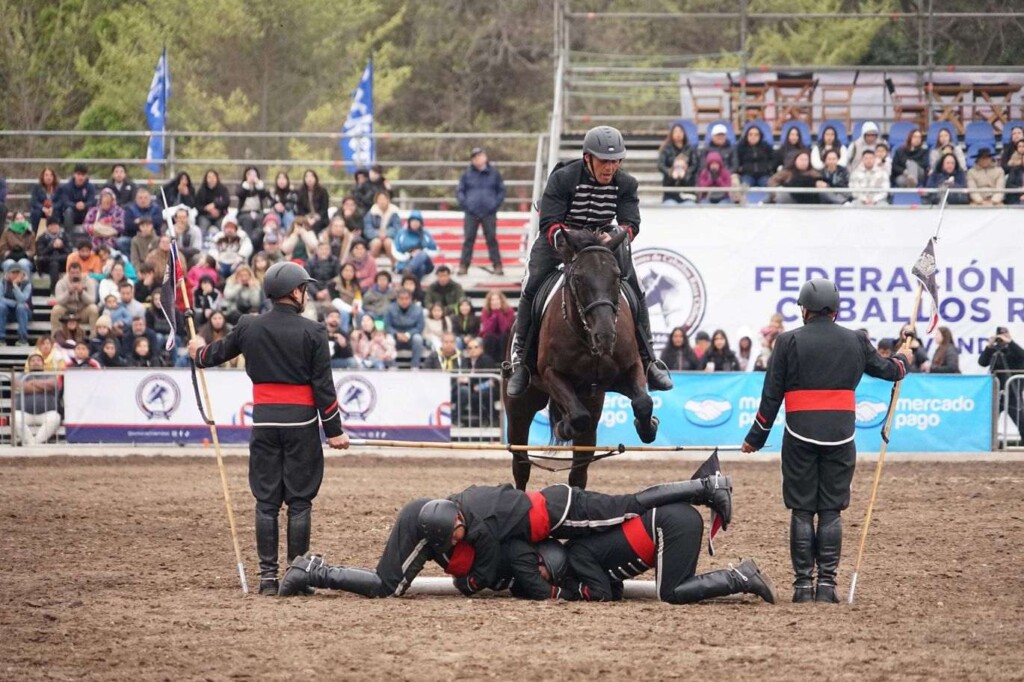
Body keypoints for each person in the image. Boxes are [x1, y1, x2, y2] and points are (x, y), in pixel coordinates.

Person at [278, 470, 733, 598]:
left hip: (560, 509)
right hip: (545, 516)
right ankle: (317, 571)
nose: (460, 532)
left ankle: (704, 488)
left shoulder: (466, 518)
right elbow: (488, 571)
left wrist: (475, 580)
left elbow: (485, 572)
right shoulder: (462, 517)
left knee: (631, 505)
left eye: (459, 530)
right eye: (455, 532)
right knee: (386, 587)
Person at [741, 278, 911, 604]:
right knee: (831, 510)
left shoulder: (787, 341)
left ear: (804, 309)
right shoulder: (856, 340)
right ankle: (827, 587)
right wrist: (905, 356)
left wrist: (755, 438)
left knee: (802, 510)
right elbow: (891, 371)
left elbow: (771, 397)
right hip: (840, 434)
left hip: (799, 433)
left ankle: (803, 586)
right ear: (835, 309)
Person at [188, 262, 350, 595]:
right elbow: (323, 386)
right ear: (294, 292)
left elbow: (213, 354)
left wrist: (197, 352)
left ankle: (267, 579)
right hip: (301, 424)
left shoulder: (249, 325)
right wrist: (334, 430)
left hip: (264, 421)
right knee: (300, 501)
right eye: (303, 288)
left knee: (267, 501)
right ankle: (297, 576)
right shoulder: (314, 332)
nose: (305, 293)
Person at [507, 127, 672, 397]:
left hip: (603, 241)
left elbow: (632, 223)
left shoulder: (627, 183)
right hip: (563, 238)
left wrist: (617, 234)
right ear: (588, 158)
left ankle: (650, 360)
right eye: (604, 161)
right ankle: (520, 362)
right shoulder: (563, 179)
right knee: (532, 285)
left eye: (615, 161)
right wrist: (571, 238)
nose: (610, 167)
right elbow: (549, 223)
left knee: (637, 286)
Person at [456, 147, 506, 276]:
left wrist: (494, 205)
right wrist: (466, 205)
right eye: (474, 157)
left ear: (485, 157)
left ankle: (497, 265)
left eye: (479, 155)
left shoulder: (494, 173)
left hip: (489, 212)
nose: (477, 159)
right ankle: (463, 265)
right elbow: (460, 191)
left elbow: (501, 191)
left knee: (491, 239)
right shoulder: (466, 174)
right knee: (468, 239)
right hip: (471, 212)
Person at [979, 327, 1024, 441]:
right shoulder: (994, 351)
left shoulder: (1014, 350)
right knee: (989, 422)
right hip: (997, 393)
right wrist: (989, 347)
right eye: (1000, 336)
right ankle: (987, 445)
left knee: (1021, 421)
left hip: (1013, 392)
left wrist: (1010, 342)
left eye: (1005, 335)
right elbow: (982, 362)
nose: (1002, 338)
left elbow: (1022, 355)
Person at [13, 353, 62, 445]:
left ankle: (34, 442)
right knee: (14, 417)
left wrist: (32, 382)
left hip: (46, 413)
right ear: (28, 364)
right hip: (24, 413)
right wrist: (43, 386)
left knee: (55, 417)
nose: (36, 362)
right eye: (33, 360)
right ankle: (33, 443)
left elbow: (52, 385)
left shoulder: (50, 375)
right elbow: (22, 387)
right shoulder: (21, 375)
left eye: (38, 360)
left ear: (43, 364)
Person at [51, 262, 99, 332]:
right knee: (56, 309)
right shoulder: (61, 283)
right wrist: (68, 293)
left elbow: (92, 300)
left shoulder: (88, 281)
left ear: (81, 272)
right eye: (72, 273)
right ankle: (56, 337)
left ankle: (94, 337)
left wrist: (82, 292)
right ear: (68, 273)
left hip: (82, 311)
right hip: (67, 311)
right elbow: (59, 301)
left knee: (93, 308)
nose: (75, 275)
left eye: (77, 273)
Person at [384, 288, 425, 370]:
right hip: (395, 337)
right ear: (397, 299)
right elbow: (387, 325)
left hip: (411, 337)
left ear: (411, 299)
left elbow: (420, 326)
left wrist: (408, 334)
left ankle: (415, 366)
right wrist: (396, 334)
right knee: (388, 339)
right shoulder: (390, 308)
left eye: (406, 299)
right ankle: (392, 366)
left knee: (418, 339)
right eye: (401, 299)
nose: (404, 301)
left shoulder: (418, 309)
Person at [657, 121, 698, 203]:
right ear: (671, 134)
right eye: (676, 131)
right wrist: (670, 172)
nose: (678, 134)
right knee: (670, 205)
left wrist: (686, 173)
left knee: (689, 206)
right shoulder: (666, 149)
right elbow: (660, 165)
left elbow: (695, 165)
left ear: (684, 133)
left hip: (687, 189)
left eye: (680, 131)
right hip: (670, 188)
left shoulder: (690, 149)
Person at [394, 210, 438, 281]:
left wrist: (420, 253)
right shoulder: (401, 233)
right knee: (420, 268)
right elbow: (396, 250)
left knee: (422, 254)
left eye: (417, 221)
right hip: (407, 261)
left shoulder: (426, 234)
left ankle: (409, 269)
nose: (415, 223)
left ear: (421, 223)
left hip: (426, 262)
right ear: (409, 222)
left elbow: (434, 250)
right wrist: (410, 255)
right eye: (413, 221)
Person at [362, 191, 400, 267]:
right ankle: (368, 267)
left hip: (389, 238)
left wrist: (386, 234)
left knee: (388, 243)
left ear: (388, 200)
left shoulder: (394, 213)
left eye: (384, 199)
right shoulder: (371, 213)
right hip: (375, 238)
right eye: (380, 199)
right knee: (376, 243)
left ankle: (396, 266)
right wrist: (378, 234)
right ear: (376, 201)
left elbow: (397, 229)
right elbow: (367, 230)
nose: (382, 201)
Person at [57, 163, 96, 232]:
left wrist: (85, 205)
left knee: (92, 211)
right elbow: (65, 201)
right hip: (73, 213)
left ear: (86, 176)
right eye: (78, 174)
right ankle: (69, 237)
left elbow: (92, 201)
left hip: (85, 212)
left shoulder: (91, 187)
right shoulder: (67, 187)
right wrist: (75, 205)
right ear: (74, 174)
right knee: (68, 211)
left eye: (83, 175)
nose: (80, 177)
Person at [1, 263, 32, 346]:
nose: (15, 275)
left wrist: (15, 286)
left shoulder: (27, 284)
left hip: (24, 313)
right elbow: (0, 299)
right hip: (7, 312)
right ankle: (1, 339)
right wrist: (15, 303)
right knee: (1, 306)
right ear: (8, 273)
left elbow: (23, 299)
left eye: (17, 272)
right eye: (13, 272)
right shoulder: (2, 283)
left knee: (21, 307)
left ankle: (23, 339)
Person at [235, 167, 270, 239]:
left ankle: (259, 242)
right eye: (249, 174)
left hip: (258, 212)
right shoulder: (242, 186)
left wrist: (259, 185)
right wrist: (247, 184)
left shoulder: (259, 186)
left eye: (254, 175)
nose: (252, 177)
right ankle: (248, 241)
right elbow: (239, 194)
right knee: (248, 220)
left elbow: (264, 195)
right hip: (244, 213)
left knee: (259, 219)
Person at [736, 125, 775, 190]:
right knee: (743, 188)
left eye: (756, 135)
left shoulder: (766, 146)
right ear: (746, 136)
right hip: (747, 175)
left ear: (760, 136)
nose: (753, 137)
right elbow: (737, 160)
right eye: (750, 134)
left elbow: (774, 159)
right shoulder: (741, 147)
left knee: (770, 188)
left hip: (763, 175)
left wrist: (769, 167)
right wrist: (741, 169)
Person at [35, 219, 71, 284]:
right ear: (47, 227)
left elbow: (70, 253)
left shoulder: (65, 236)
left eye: (55, 225)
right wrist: (51, 247)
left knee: (56, 262)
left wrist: (62, 247)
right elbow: (40, 253)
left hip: (62, 262)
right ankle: (54, 290)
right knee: (54, 264)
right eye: (51, 225)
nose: (54, 227)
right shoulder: (42, 238)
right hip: (47, 264)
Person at [297, 169, 330, 234]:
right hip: (306, 217)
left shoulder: (323, 191)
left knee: (315, 226)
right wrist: (307, 218)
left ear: (315, 178)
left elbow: (324, 208)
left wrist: (315, 218)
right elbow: (300, 209)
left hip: (320, 218)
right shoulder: (301, 191)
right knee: (300, 225)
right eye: (307, 177)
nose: (309, 179)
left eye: (312, 176)